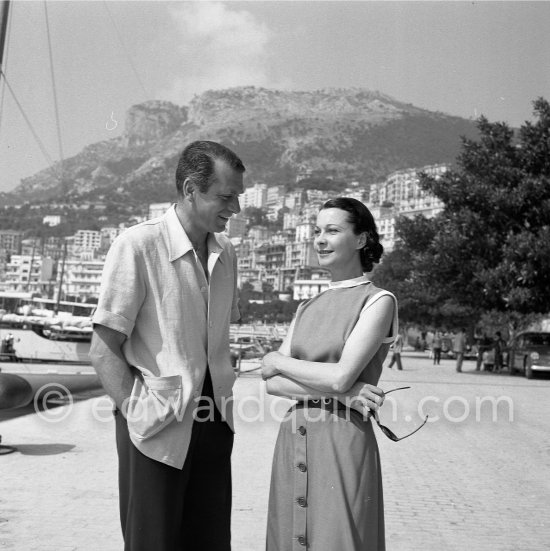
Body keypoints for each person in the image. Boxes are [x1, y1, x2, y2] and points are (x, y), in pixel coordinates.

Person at [89, 141, 245, 551]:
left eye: (239, 197)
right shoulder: (137, 246)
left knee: (210, 543)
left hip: (215, 424)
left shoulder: (226, 254)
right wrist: (138, 415)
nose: (237, 208)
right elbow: (103, 350)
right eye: (227, 197)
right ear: (191, 189)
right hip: (156, 429)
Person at [261, 197, 400, 551]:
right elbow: (273, 385)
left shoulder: (378, 301)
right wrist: (343, 394)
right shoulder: (306, 306)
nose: (320, 239)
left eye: (333, 231)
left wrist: (278, 359)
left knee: (338, 537)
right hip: (294, 435)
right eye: (318, 231)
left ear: (361, 239)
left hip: (343, 440)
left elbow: (339, 375)